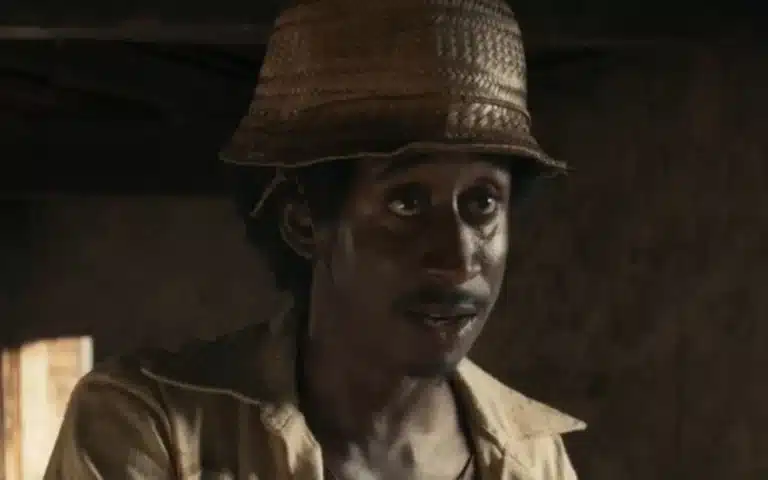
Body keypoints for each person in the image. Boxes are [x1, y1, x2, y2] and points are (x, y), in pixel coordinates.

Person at [44, 0, 586, 478]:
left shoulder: (534, 460)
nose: (458, 257)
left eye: (483, 203)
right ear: (304, 223)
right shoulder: (150, 424)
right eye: (406, 203)